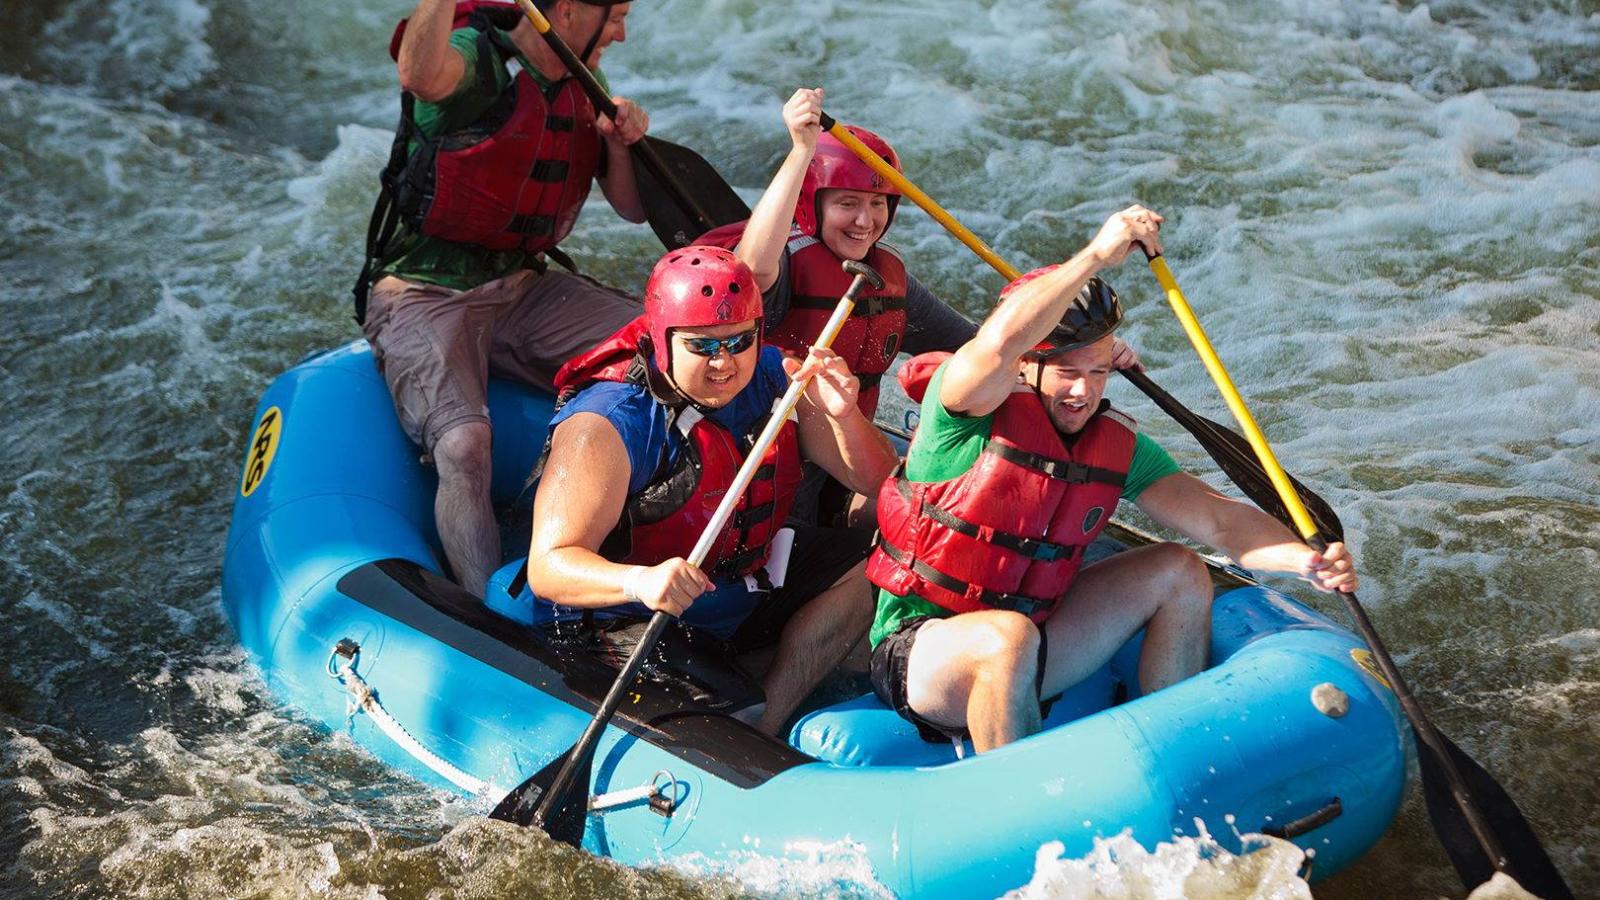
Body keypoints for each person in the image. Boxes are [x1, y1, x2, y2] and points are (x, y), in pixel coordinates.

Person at [865, 204, 1360, 753]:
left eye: (1098, 372)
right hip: (923, 654)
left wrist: (1305, 561)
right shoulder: (963, 411)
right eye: (1067, 374)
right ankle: (1018, 797)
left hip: (1039, 637)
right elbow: (997, 345)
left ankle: (1184, 754)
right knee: (1006, 637)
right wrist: (1098, 255)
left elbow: (1218, 520)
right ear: (1026, 368)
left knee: (1179, 568)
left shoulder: (1113, 444)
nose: (1084, 392)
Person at [487, 246, 899, 735]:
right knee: (726, 712)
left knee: (877, 564)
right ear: (663, 342)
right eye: (702, 346)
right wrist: (640, 582)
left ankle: (769, 723)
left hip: (734, 586)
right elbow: (550, 568)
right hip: (624, 612)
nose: (724, 363)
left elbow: (878, 481)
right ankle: (745, 707)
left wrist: (845, 414)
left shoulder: (776, 378)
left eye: (739, 341)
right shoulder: (608, 422)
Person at [702, 88, 1141, 523]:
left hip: (840, 463)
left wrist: (1087, 350)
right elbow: (750, 272)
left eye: (878, 204)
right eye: (847, 203)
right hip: (757, 461)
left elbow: (986, 347)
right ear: (811, 202)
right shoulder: (782, 262)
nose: (865, 220)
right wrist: (801, 151)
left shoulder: (888, 278)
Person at [354, 0, 652, 597]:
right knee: (465, 443)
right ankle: (487, 611)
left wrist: (624, 144)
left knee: (662, 349)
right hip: (423, 289)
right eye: (615, 16)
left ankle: (631, 548)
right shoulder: (480, 60)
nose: (620, 34)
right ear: (566, 11)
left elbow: (633, 207)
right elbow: (419, 75)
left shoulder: (583, 79)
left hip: (521, 284)